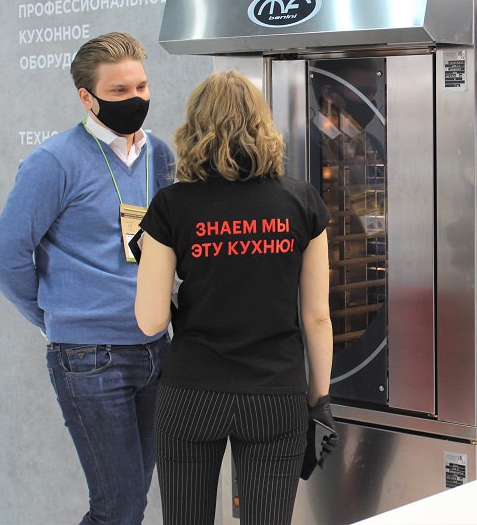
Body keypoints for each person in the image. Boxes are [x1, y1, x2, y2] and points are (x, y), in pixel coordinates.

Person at [0, 32, 175, 525]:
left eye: (141, 87)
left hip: (156, 349)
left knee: (134, 500)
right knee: (118, 507)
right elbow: (5, 256)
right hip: (90, 358)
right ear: (86, 98)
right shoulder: (53, 162)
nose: (135, 99)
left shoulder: (160, 155)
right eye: (119, 91)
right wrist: (54, 318)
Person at [134, 70, 335, 525]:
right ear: (263, 125)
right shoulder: (301, 201)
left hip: (192, 395)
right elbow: (318, 317)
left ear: (194, 129)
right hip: (275, 397)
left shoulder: (171, 206)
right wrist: (319, 400)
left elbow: (149, 321)